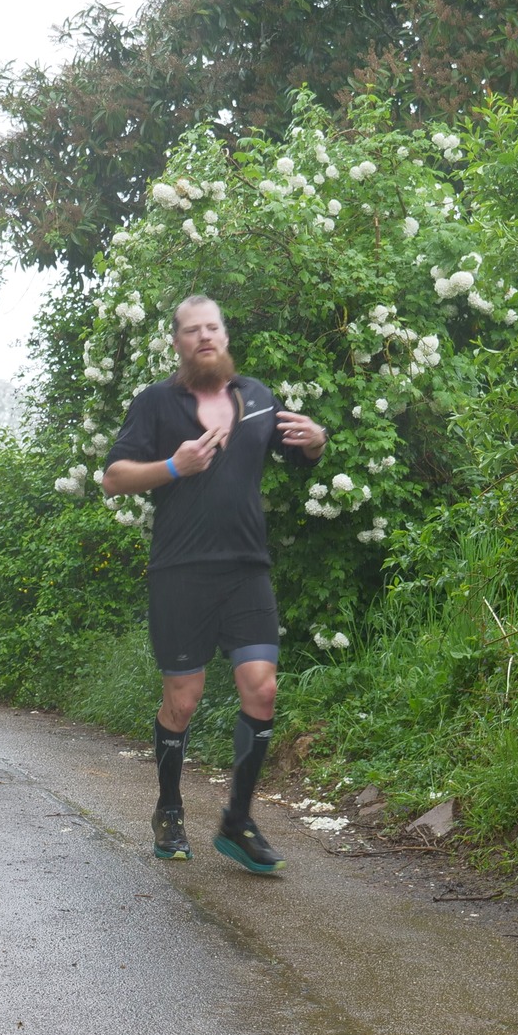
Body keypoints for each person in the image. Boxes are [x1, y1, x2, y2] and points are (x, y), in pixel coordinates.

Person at [101, 296, 329, 874]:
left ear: (225, 336)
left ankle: (238, 820)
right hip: (180, 573)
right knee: (183, 701)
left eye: (212, 327)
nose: (204, 337)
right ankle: (169, 809)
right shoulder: (156, 403)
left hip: (246, 569)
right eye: (191, 330)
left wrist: (317, 440)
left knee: (263, 689)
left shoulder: (257, 397)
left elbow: (301, 453)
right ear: (177, 342)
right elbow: (113, 478)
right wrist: (173, 467)